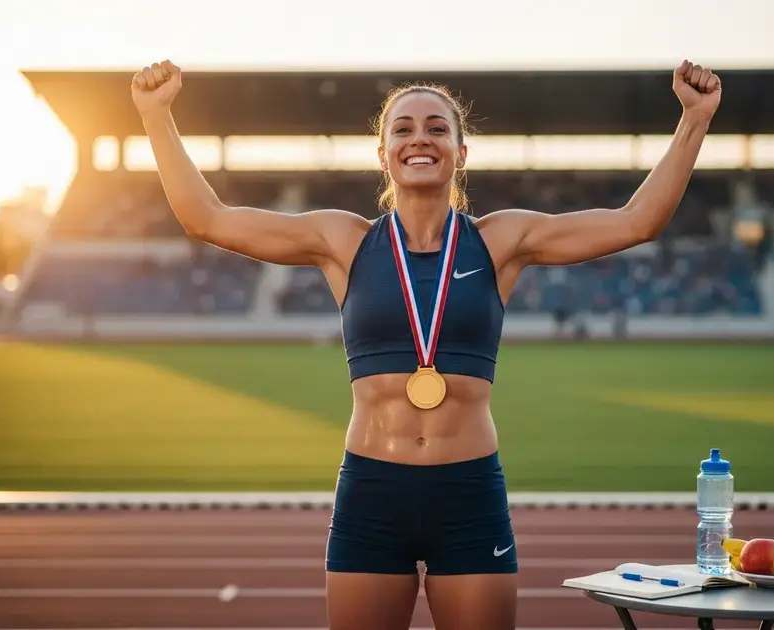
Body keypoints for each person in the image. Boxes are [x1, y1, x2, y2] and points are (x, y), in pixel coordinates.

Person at [131, 58, 721, 630]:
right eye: (403, 129)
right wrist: (157, 116)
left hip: (467, 494)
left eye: (438, 129)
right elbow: (205, 218)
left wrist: (694, 119)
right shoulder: (342, 240)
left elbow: (636, 220)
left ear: (461, 154)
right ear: (382, 153)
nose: (421, 139)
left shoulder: (500, 240)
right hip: (371, 494)